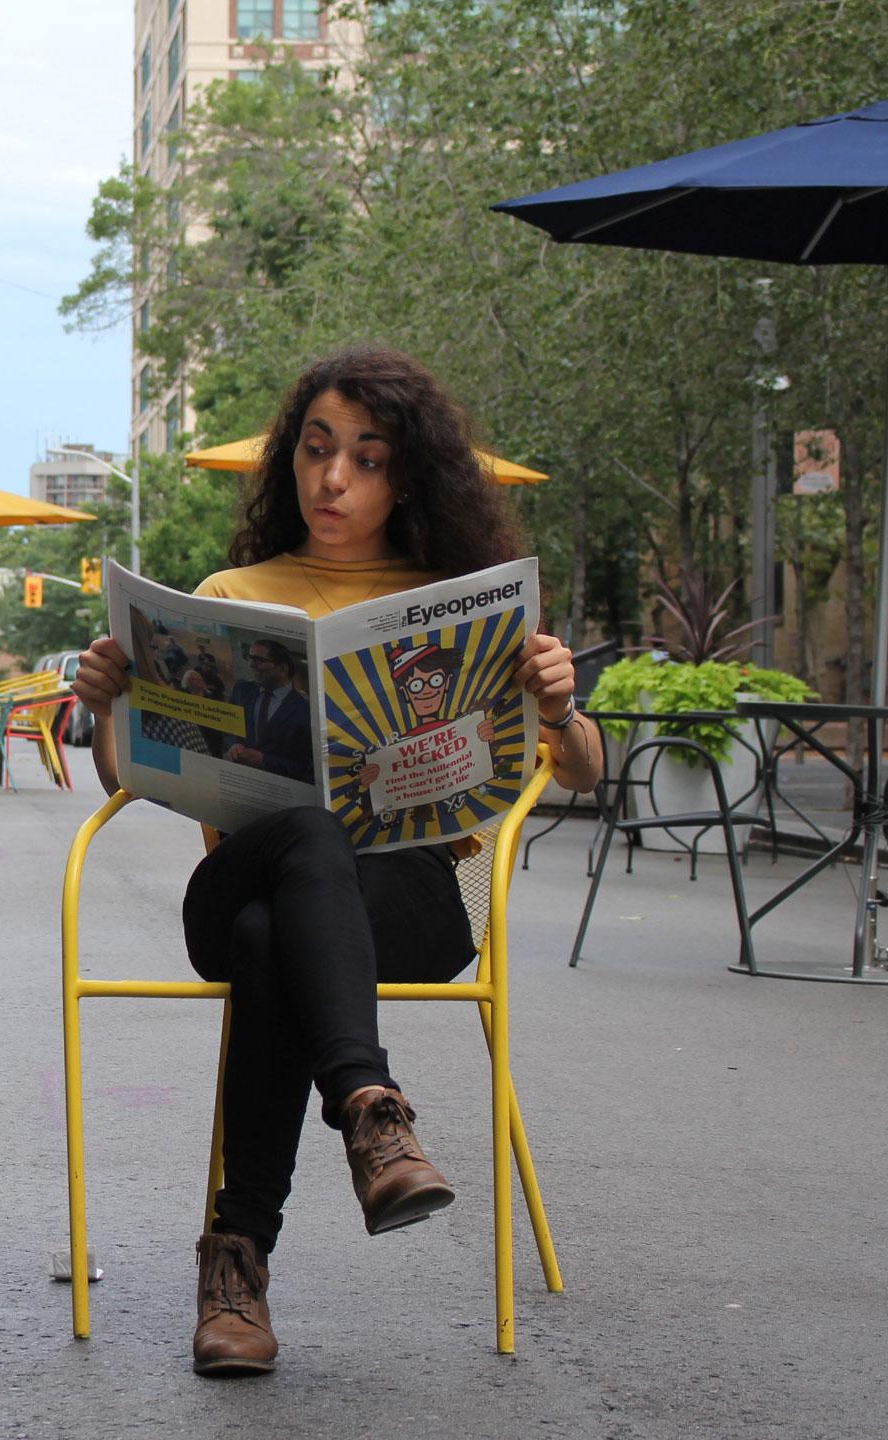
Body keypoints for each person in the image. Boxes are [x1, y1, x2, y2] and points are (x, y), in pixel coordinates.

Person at [70, 346, 604, 1379]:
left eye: (365, 458)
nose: (333, 480)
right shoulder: (233, 594)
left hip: (414, 899)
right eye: (317, 452)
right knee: (304, 836)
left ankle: (237, 1267)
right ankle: (375, 1115)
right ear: (291, 463)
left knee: (282, 932)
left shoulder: (460, 605)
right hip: (235, 884)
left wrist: (557, 705)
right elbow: (122, 779)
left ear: (406, 474)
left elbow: (578, 773)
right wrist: (107, 709)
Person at [225, 638, 311, 780]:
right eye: (250, 658)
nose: (251, 664)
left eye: (259, 660)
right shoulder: (242, 690)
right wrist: (234, 744)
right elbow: (229, 726)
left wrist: (265, 761)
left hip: (279, 788)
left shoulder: (304, 710)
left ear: (282, 669)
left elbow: (306, 767)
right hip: (240, 780)